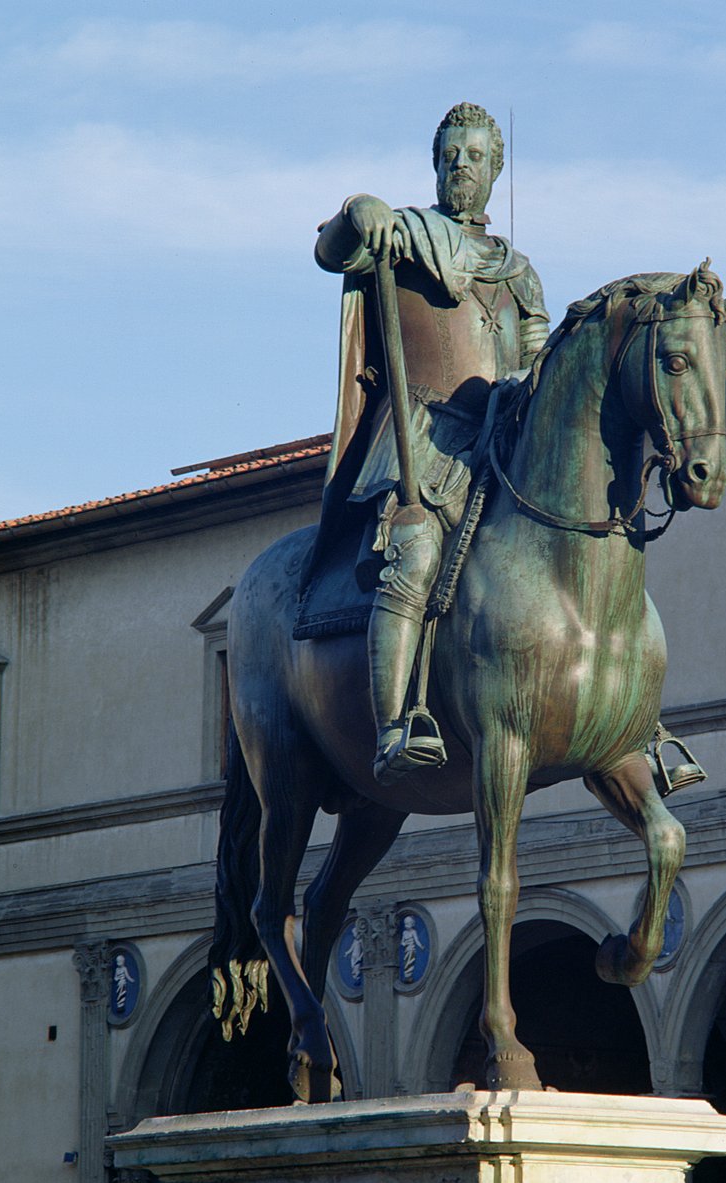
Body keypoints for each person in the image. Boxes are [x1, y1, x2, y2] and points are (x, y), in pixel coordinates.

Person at [308, 103, 549, 782]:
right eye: (451, 156)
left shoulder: (518, 273)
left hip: (500, 440)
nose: (461, 167)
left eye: (475, 156)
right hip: (422, 436)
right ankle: (393, 724)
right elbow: (330, 251)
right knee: (413, 556)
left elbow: (534, 362)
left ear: (496, 169)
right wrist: (360, 209)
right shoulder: (404, 235)